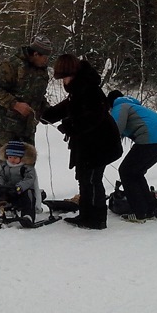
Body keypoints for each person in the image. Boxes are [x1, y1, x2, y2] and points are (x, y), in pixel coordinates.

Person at [40, 55, 122, 230]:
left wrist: (69, 126)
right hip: (89, 145)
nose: (64, 82)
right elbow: (67, 107)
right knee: (84, 179)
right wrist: (47, 116)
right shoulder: (79, 91)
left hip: (101, 144)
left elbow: (93, 117)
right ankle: (86, 215)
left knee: (92, 180)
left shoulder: (89, 90)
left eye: (65, 77)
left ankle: (97, 218)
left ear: (74, 74)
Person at [106, 90, 157, 220]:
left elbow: (114, 129)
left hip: (150, 139)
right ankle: (149, 208)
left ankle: (139, 212)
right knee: (136, 172)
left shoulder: (120, 106)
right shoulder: (135, 107)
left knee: (126, 171)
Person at [0, 35, 52, 163]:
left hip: (27, 128)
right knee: (7, 167)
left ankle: (25, 184)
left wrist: (48, 112)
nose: (46, 60)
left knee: (28, 167)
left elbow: (38, 96)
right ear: (35, 54)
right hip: (6, 127)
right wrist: (15, 104)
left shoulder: (42, 70)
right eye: (44, 57)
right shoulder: (12, 65)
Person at [0, 140, 41, 227]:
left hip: (21, 192)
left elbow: (29, 179)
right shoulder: (4, 166)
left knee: (29, 194)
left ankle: (28, 216)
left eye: (15, 158)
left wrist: (19, 187)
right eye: (10, 157)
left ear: (21, 157)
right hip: (7, 191)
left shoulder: (27, 168)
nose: (12, 160)